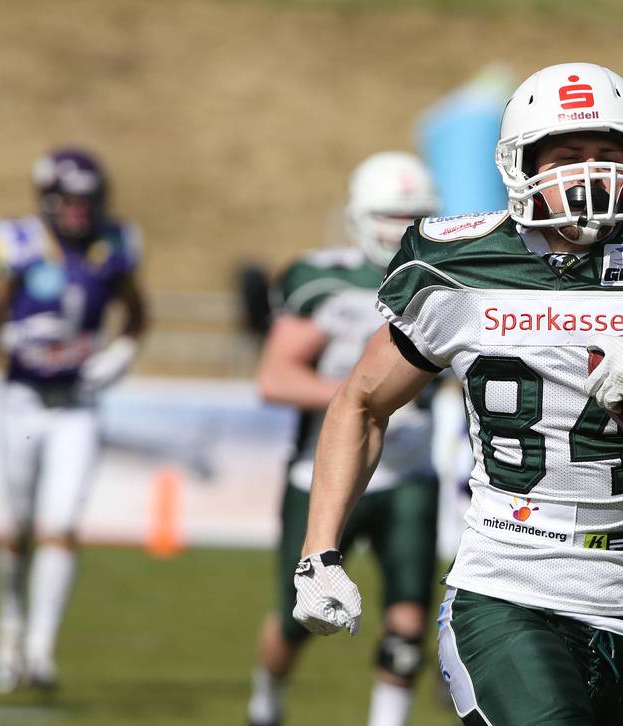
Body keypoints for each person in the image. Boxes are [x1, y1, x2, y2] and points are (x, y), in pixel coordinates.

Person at [289, 62, 623, 726]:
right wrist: (319, 550)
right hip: (504, 587)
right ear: (522, 166)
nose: (589, 175)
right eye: (566, 156)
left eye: (605, 154)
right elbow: (361, 401)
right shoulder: (457, 265)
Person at [245, 151, 443, 726]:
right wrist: (360, 399)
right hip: (323, 474)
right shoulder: (322, 279)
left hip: (409, 474)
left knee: (407, 624)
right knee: (295, 619)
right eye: (390, 214)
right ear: (359, 216)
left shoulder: (444, 277)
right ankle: (267, 703)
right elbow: (276, 376)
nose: (403, 228)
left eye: (417, 215)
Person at [0, 148, 148, 693]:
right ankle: (9, 626)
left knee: (60, 526)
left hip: (76, 406)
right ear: (48, 199)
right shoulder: (15, 242)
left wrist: (120, 354)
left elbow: (137, 313)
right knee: (15, 529)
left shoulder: (116, 244)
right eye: (70, 200)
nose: (80, 211)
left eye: (88, 200)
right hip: (21, 403)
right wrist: (1, 346)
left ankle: (39, 649)